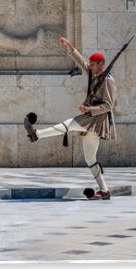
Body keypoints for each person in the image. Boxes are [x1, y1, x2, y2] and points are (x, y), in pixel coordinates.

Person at [23, 37, 117, 200]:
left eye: (93, 64)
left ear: (101, 64)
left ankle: (37, 134)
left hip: (97, 120)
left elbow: (108, 105)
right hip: (92, 119)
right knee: (90, 158)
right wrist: (70, 48)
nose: (90, 66)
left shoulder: (108, 80)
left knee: (69, 124)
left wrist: (90, 109)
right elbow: (81, 63)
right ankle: (104, 191)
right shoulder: (93, 75)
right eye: (91, 64)